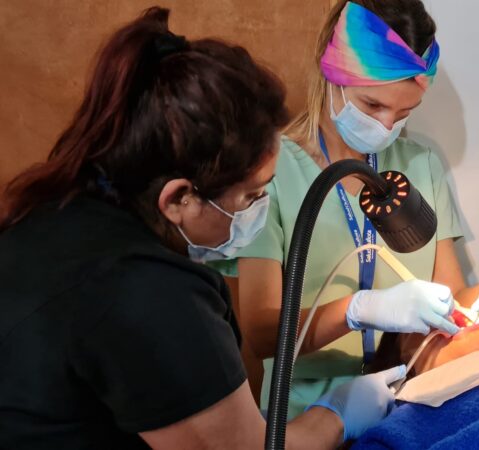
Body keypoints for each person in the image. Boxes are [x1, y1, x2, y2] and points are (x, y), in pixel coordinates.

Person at [0, 8, 406, 449]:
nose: (259, 209)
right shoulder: (151, 296)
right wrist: (338, 414)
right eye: (251, 196)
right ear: (178, 199)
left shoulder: (56, 210)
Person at [217, 0, 479, 418]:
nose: (386, 126)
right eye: (372, 105)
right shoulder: (271, 173)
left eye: (404, 113)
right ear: (331, 73)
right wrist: (359, 310)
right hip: (307, 417)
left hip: (412, 405)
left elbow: (452, 300)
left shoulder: (419, 165)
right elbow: (260, 333)